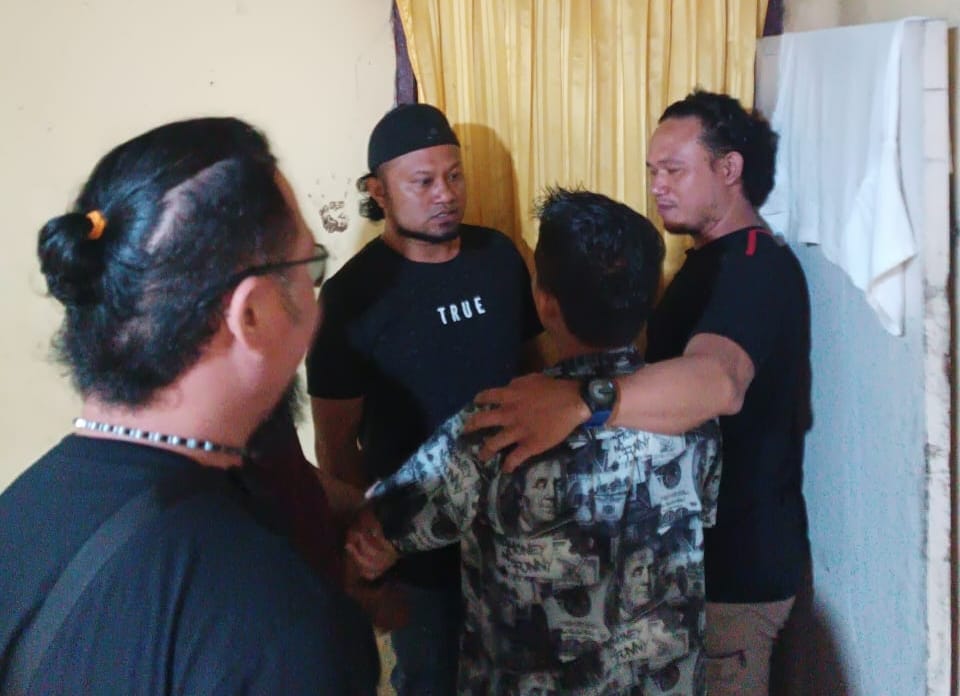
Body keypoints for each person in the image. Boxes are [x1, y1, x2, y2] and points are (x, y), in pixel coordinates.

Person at [0, 118, 379, 694]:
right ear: (250, 314)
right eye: (310, 267)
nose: (316, 298)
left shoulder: (20, 512)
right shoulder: (280, 624)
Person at [464, 90, 812, 696]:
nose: (657, 187)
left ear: (729, 169)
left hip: (737, 572)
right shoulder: (708, 260)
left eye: (674, 170)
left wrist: (580, 401)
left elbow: (719, 382)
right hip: (696, 563)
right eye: (652, 171)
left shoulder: (752, 267)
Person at [346, 188, 722, 695]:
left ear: (544, 303)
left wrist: (375, 554)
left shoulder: (498, 425)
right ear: (651, 296)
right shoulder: (692, 411)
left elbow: (378, 530)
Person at [306, 103, 542, 694]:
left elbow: (537, 374)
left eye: (455, 176)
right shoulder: (351, 298)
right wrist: (368, 548)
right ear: (378, 191)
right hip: (416, 555)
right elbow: (336, 446)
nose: (446, 194)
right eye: (424, 181)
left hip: (515, 537)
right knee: (431, 679)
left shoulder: (499, 259)